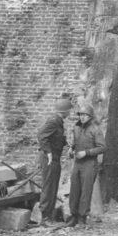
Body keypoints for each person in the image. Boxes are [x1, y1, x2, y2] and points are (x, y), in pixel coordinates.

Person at [65, 103, 105, 228]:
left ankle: (82, 218)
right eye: (81, 115)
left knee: (85, 191)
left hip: (89, 164)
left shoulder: (95, 129)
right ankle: (73, 216)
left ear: (90, 116)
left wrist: (86, 153)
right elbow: (74, 143)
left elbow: (103, 147)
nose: (82, 117)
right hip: (77, 163)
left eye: (85, 115)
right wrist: (71, 149)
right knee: (74, 190)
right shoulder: (76, 128)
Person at [37, 94, 72, 224]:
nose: (70, 112)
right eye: (69, 110)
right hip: (49, 158)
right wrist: (49, 152)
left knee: (53, 186)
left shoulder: (59, 122)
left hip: (54, 158)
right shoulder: (53, 121)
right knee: (49, 187)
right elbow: (41, 135)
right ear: (66, 111)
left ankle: (49, 216)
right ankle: (45, 217)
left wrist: (68, 145)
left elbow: (56, 138)